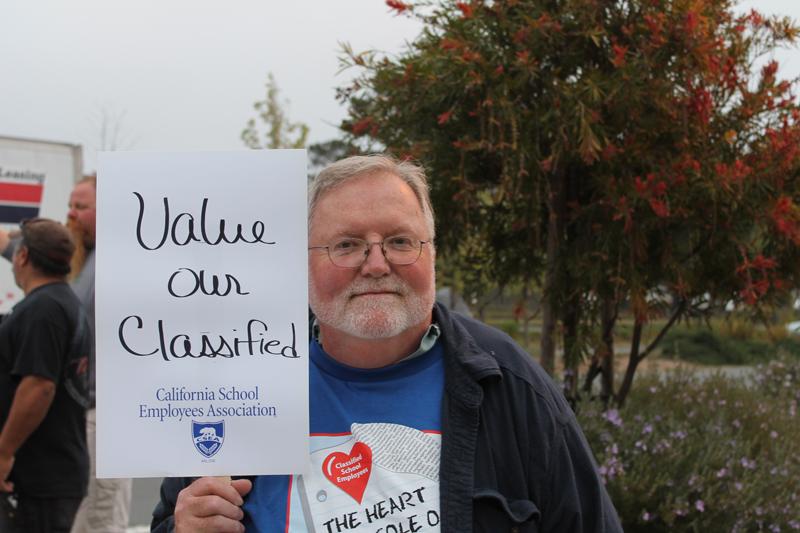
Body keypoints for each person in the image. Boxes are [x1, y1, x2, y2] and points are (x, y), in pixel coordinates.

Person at [151, 155, 622, 532]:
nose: (376, 264)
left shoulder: (510, 385)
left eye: (399, 241)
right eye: (347, 245)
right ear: (303, 263)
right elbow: (171, 520)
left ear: (432, 252)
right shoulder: (242, 383)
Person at [0, 176, 133, 533]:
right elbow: (25, 247)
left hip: (103, 415)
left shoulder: (122, 259)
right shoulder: (75, 260)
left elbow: (39, 383)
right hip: (77, 415)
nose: (71, 214)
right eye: (70, 205)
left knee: (100, 521)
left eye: (81, 207)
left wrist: (5, 449)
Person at [0, 218, 91, 532]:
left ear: (22, 256)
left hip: (41, 474)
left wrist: (4, 453)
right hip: (53, 471)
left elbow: (39, 386)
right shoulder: (62, 301)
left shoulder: (43, 309)